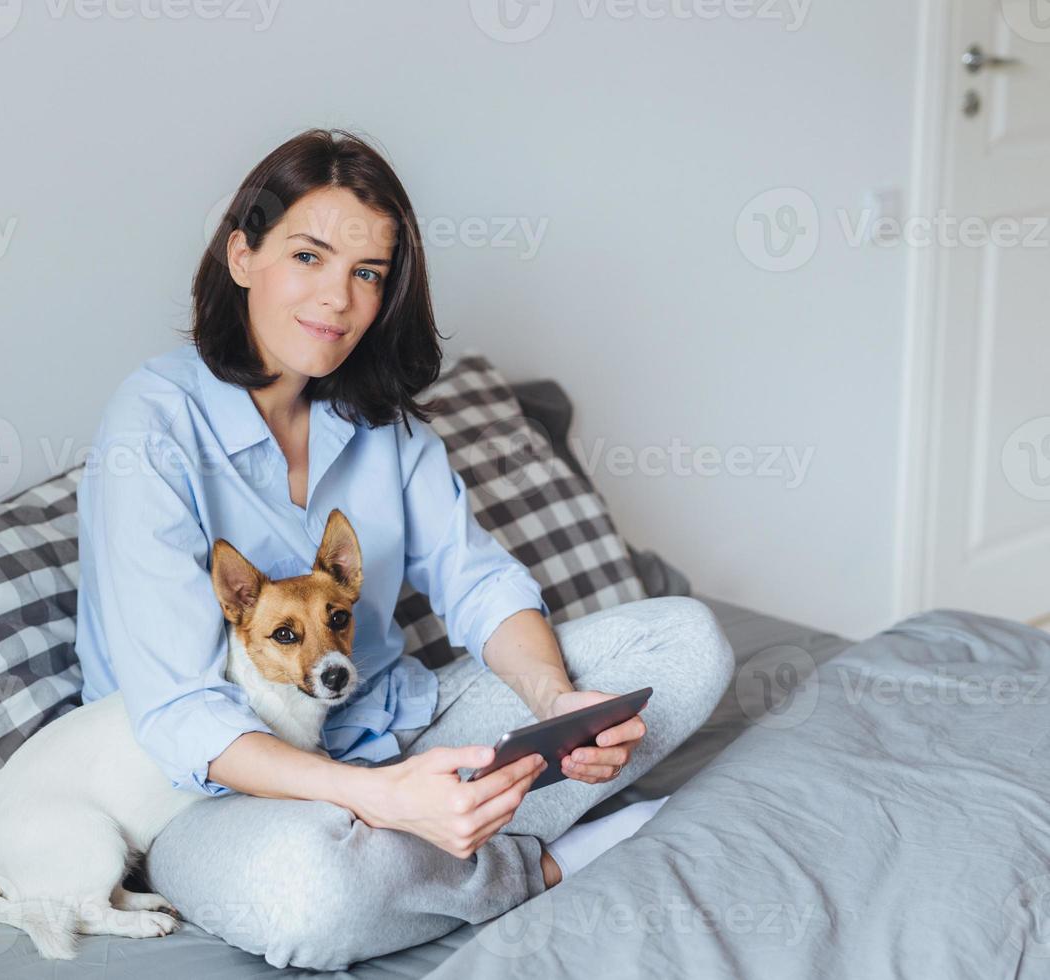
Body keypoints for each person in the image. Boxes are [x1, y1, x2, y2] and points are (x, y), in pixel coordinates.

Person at [72, 128, 735, 971]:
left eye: (367, 273)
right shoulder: (152, 421)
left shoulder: (382, 427)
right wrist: (376, 799)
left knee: (684, 640)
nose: (338, 300)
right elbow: (179, 715)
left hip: (393, 726)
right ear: (242, 255)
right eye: (308, 256)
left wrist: (555, 703)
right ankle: (540, 864)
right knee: (309, 898)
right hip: (216, 792)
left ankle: (439, 835)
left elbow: (480, 581)